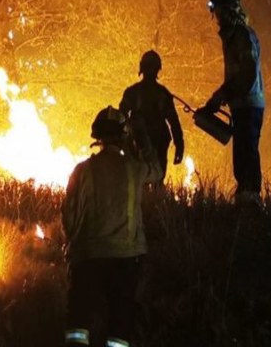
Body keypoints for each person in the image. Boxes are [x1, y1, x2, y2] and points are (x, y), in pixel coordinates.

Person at [62, 106, 164, 347]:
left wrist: (72, 247)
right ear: (123, 136)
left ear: (97, 136)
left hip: (87, 258)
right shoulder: (134, 168)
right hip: (125, 260)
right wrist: (142, 137)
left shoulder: (82, 170)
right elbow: (157, 170)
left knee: (78, 323)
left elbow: (69, 214)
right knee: (120, 325)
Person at [199, 0, 265, 206]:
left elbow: (247, 73)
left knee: (246, 154)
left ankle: (250, 201)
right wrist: (222, 97)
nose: (218, 19)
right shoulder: (234, 36)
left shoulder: (242, 35)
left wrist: (222, 95)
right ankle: (246, 198)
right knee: (242, 155)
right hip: (242, 104)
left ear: (230, 11)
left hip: (249, 104)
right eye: (216, 14)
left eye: (219, 13)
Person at [119, 50, 184, 181]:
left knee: (139, 178)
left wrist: (119, 143)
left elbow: (121, 118)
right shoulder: (162, 94)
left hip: (141, 143)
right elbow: (173, 122)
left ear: (141, 68)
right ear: (158, 69)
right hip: (151, 141)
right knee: (157, 177)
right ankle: (156, 192)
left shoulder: (133, 92)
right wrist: (179, 145)